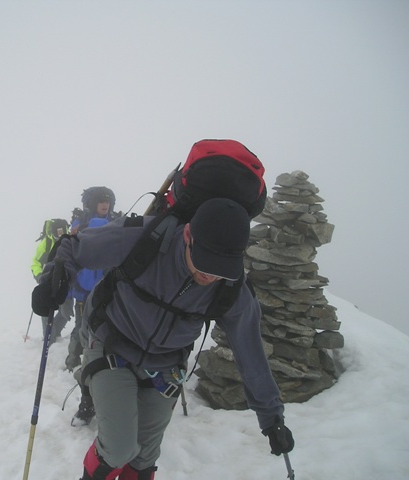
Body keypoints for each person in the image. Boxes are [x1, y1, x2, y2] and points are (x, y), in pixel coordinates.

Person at [32, 198, 294, 479]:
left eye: (220, 269)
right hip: (111, 342)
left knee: (145, 458)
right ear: (187, 234)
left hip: (166, 365)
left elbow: (250, 352)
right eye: (205, 263)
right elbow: (74, 246)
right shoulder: (147, 237)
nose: (209, 276)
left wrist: (272, 418)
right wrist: (54, 279)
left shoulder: (232, 288)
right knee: (118, 449)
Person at [65, 186, 118, 371]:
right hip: (83, 286)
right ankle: (72, 359)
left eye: (107, 201)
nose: (105, 204)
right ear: (93, 204)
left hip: (106, 285)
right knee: (81, 325)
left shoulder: (115, 220)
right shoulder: (80, 222)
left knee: (103, 325)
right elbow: (77, 237)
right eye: (101, 201)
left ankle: (93, 360)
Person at [31, 218, 74, 342]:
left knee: (67, 312)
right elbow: (36, 262)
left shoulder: (69, 240)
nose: (59, 234)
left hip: (66, 283)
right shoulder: (46, 243)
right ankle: (49, 338)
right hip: (47, 282)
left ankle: (54, 332)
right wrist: (39, 275)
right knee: (46, 311)